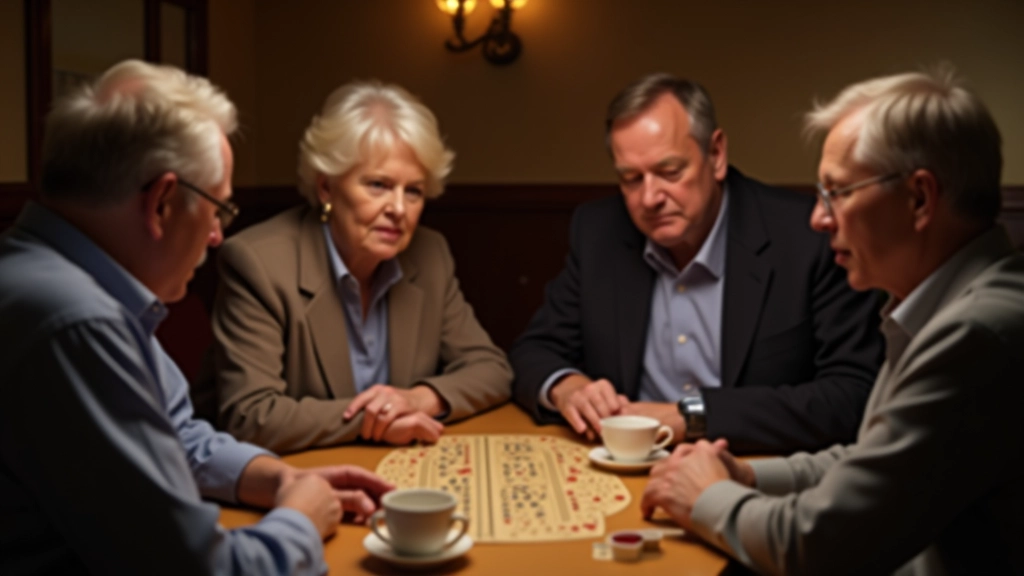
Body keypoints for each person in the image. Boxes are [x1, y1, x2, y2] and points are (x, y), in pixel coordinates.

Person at [0, 60, 394, 575]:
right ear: (162, 202)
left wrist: (279, 479)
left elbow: (177, 433)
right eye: (219, 210)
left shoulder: (67, 279)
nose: (217, 237)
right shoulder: (76, 319)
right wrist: (300, 521)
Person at [640, 68, 1023, 575]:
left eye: (837, 192)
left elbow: (816, 545)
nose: (819, 219)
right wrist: (746, 474)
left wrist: (706, 495)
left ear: (919, 199)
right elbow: (871, 464)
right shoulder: (945, 305)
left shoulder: (976, 335)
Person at [510, 73, 883, 454]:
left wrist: (694, 417)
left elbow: (851, 394)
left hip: (754, 473)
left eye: (670, 172)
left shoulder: (809, 237)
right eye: (631, 179)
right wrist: (567, 387)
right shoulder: (599, 233)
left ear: (716, 154)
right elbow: (534, 350)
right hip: (622, 465)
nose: (650, 197)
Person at [200, 80, 512, 453]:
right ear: (327, 188)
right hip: (298, 478)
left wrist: (419, 399)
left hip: (397, 473)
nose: (398, 208)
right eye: (378, 185)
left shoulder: (430, 255)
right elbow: (251, 416)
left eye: (413, 190)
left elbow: (492, 369)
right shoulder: (259, 263)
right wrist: (374, 419)